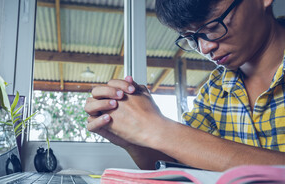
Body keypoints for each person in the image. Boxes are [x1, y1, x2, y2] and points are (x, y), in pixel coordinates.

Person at [84, 0, 285, 171]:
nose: (205, 48)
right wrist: (135, 139)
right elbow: (183, 163)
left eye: (213, 27)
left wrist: (159, 129)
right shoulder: (213, 91)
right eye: (191, 38)